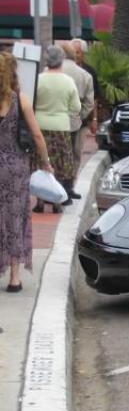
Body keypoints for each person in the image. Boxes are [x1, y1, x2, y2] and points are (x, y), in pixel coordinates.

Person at [0, 53, 53, 292]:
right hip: (15, 169)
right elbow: (37, 136)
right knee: (15, 218)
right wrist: (46, 162)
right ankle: (14, 277)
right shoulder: (20, 100)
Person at [34, 45, 81, 213]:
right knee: (59, 164)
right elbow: (76, 107)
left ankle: (39, 202)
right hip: (61, 126)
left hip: (39, 125)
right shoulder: (68, 82)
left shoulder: (38, 79)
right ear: (61, 60)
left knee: (41, 162)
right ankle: (56, 203)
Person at [61, 42, 94, 200]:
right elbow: (89, 102)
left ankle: (60, 187)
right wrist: (80, 117)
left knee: (57, 155)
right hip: (74, 121)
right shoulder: (85, 75)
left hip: (54, 121)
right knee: (73, 154)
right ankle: (68, 187)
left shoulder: (48, 73)